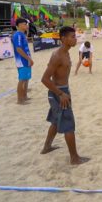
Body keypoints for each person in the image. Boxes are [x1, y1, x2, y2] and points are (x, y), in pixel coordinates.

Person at [40, 26, 89, 165]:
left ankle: (47, 147)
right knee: (68, 125)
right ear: (63, 39)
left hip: (62, 91)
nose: (75, 39)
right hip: (59, 93)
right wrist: (61, 94)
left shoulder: (66, 53)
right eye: (73, 37)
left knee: (56, 121)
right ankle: (74, 158)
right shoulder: (57, 56)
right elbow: (44, 79)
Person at [12, 18, 33, 104]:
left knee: (26, 78)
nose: (26, 25)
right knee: (22, 79)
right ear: (19, 25)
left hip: (26, 59)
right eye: (25, 24)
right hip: (22, 60)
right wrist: (28, 58)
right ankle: (19, 100)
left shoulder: (22, 34)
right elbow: (18, 49)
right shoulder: (18, 35)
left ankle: (24, 96)